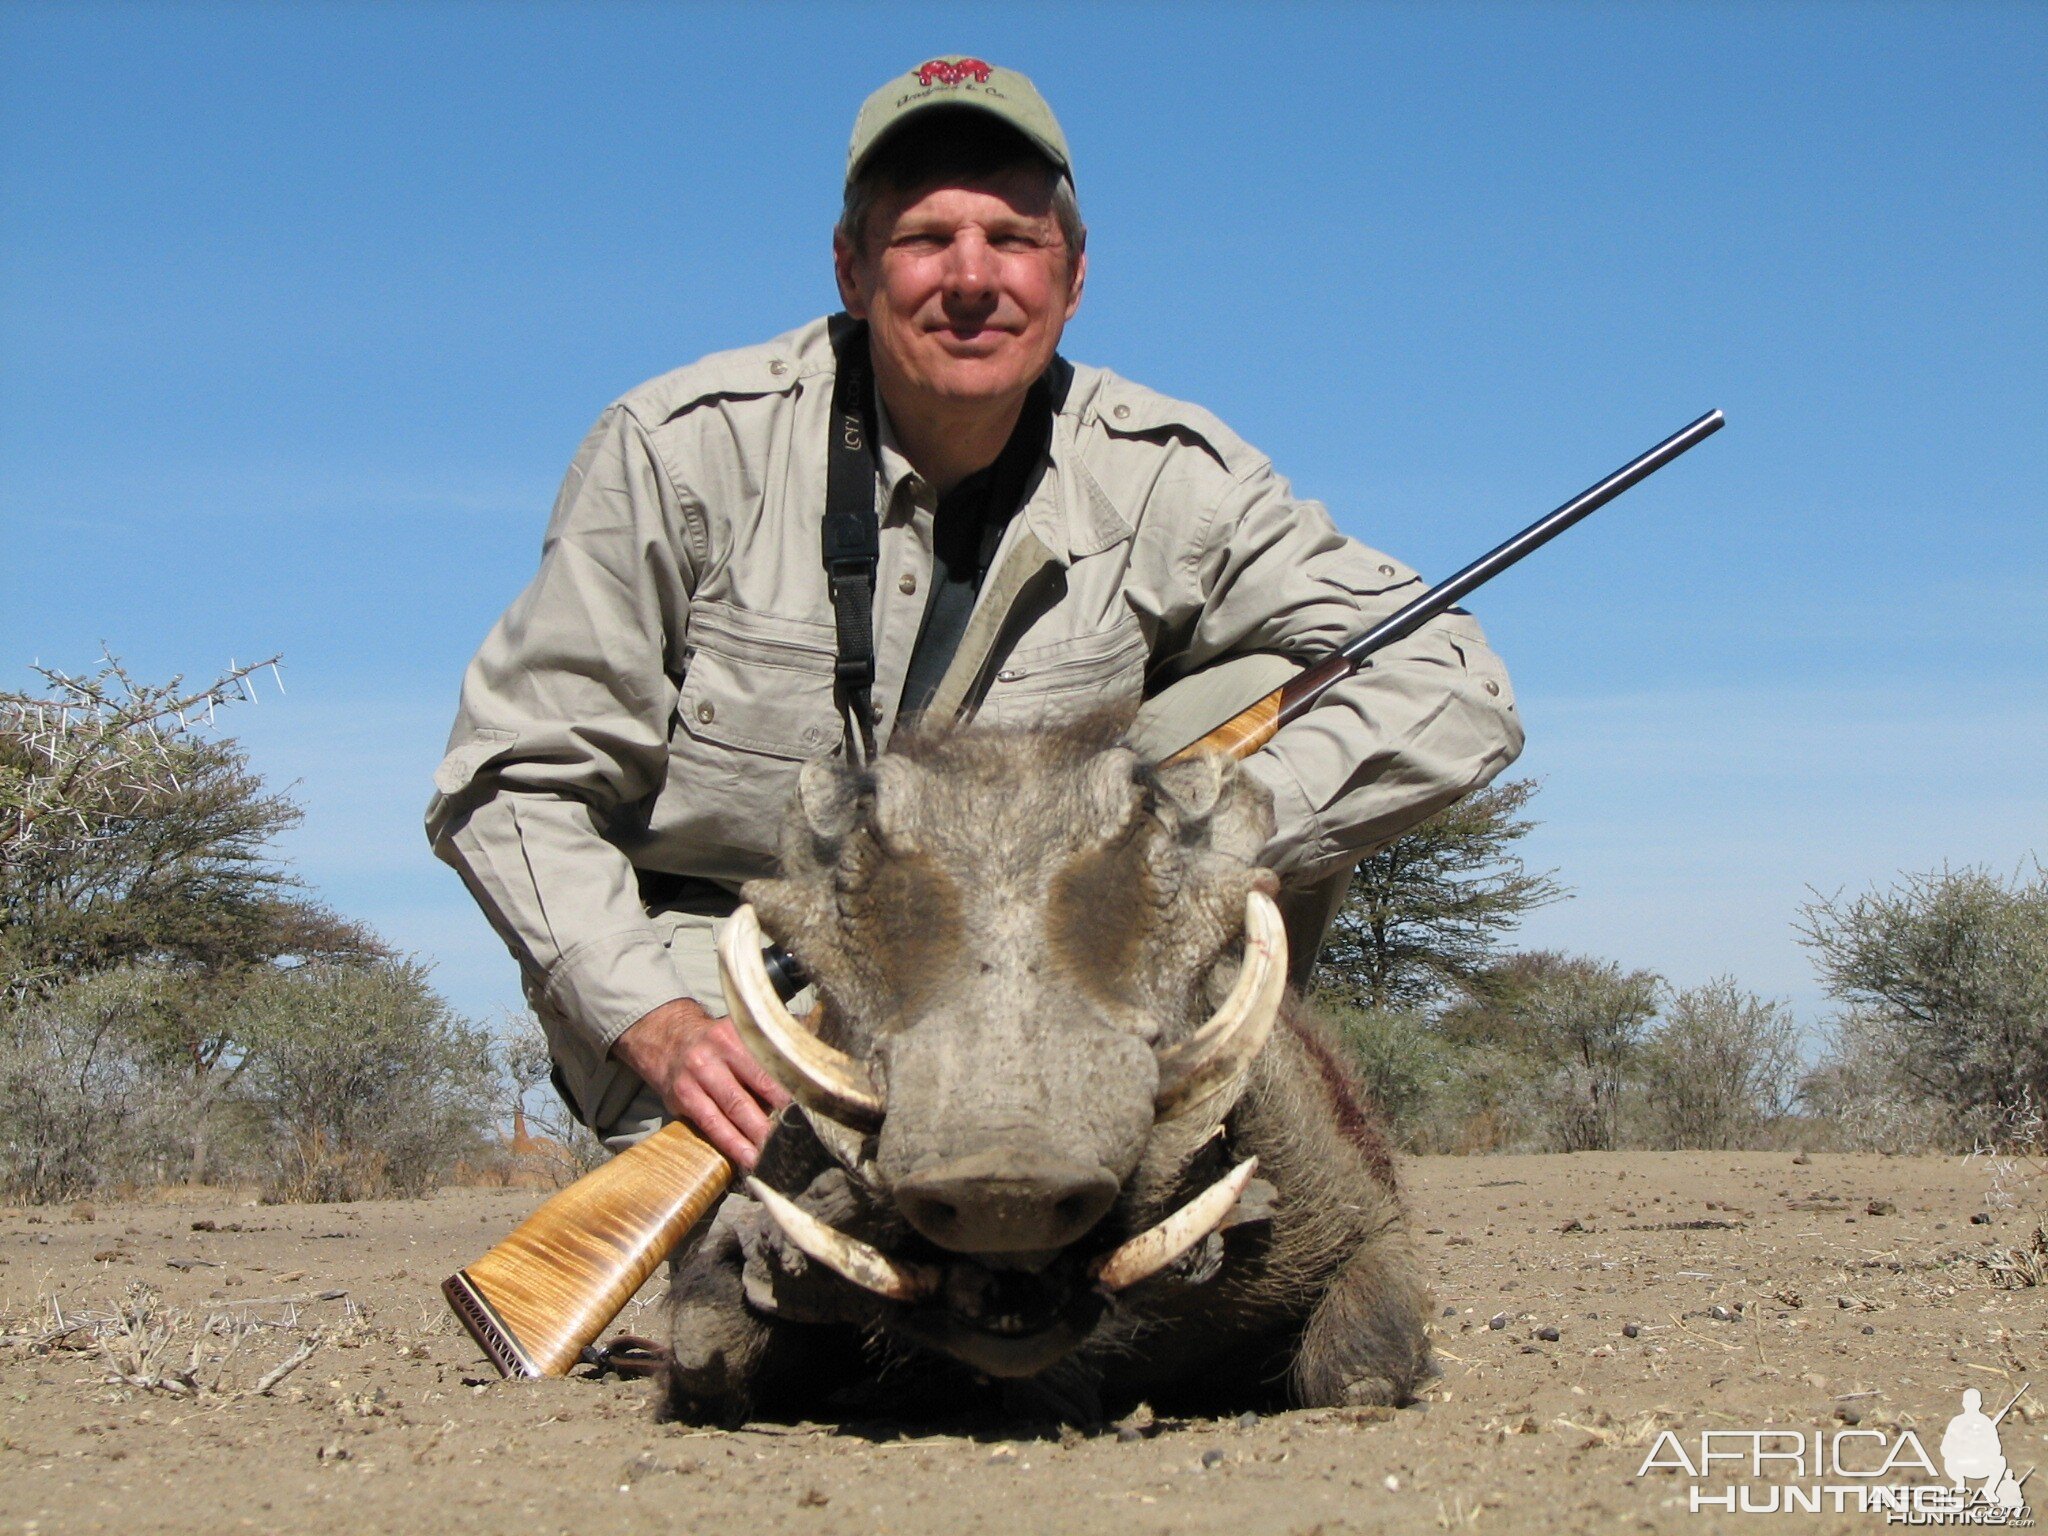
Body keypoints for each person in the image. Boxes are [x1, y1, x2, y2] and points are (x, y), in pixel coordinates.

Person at [427, 56, 1522, 1171]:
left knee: (1269, 700)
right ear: (851, 270)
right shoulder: (679, 451)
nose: (970, 277)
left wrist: (1180, 856)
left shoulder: (1171, 474)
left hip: (1048, 965)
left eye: (1012, 237)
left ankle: (1176, 1140)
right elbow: (512, 783)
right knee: (792, 1286)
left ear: (1073, 277)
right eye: (922, 238)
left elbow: (1452, 677)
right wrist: (659, 1029)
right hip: (738, 976)